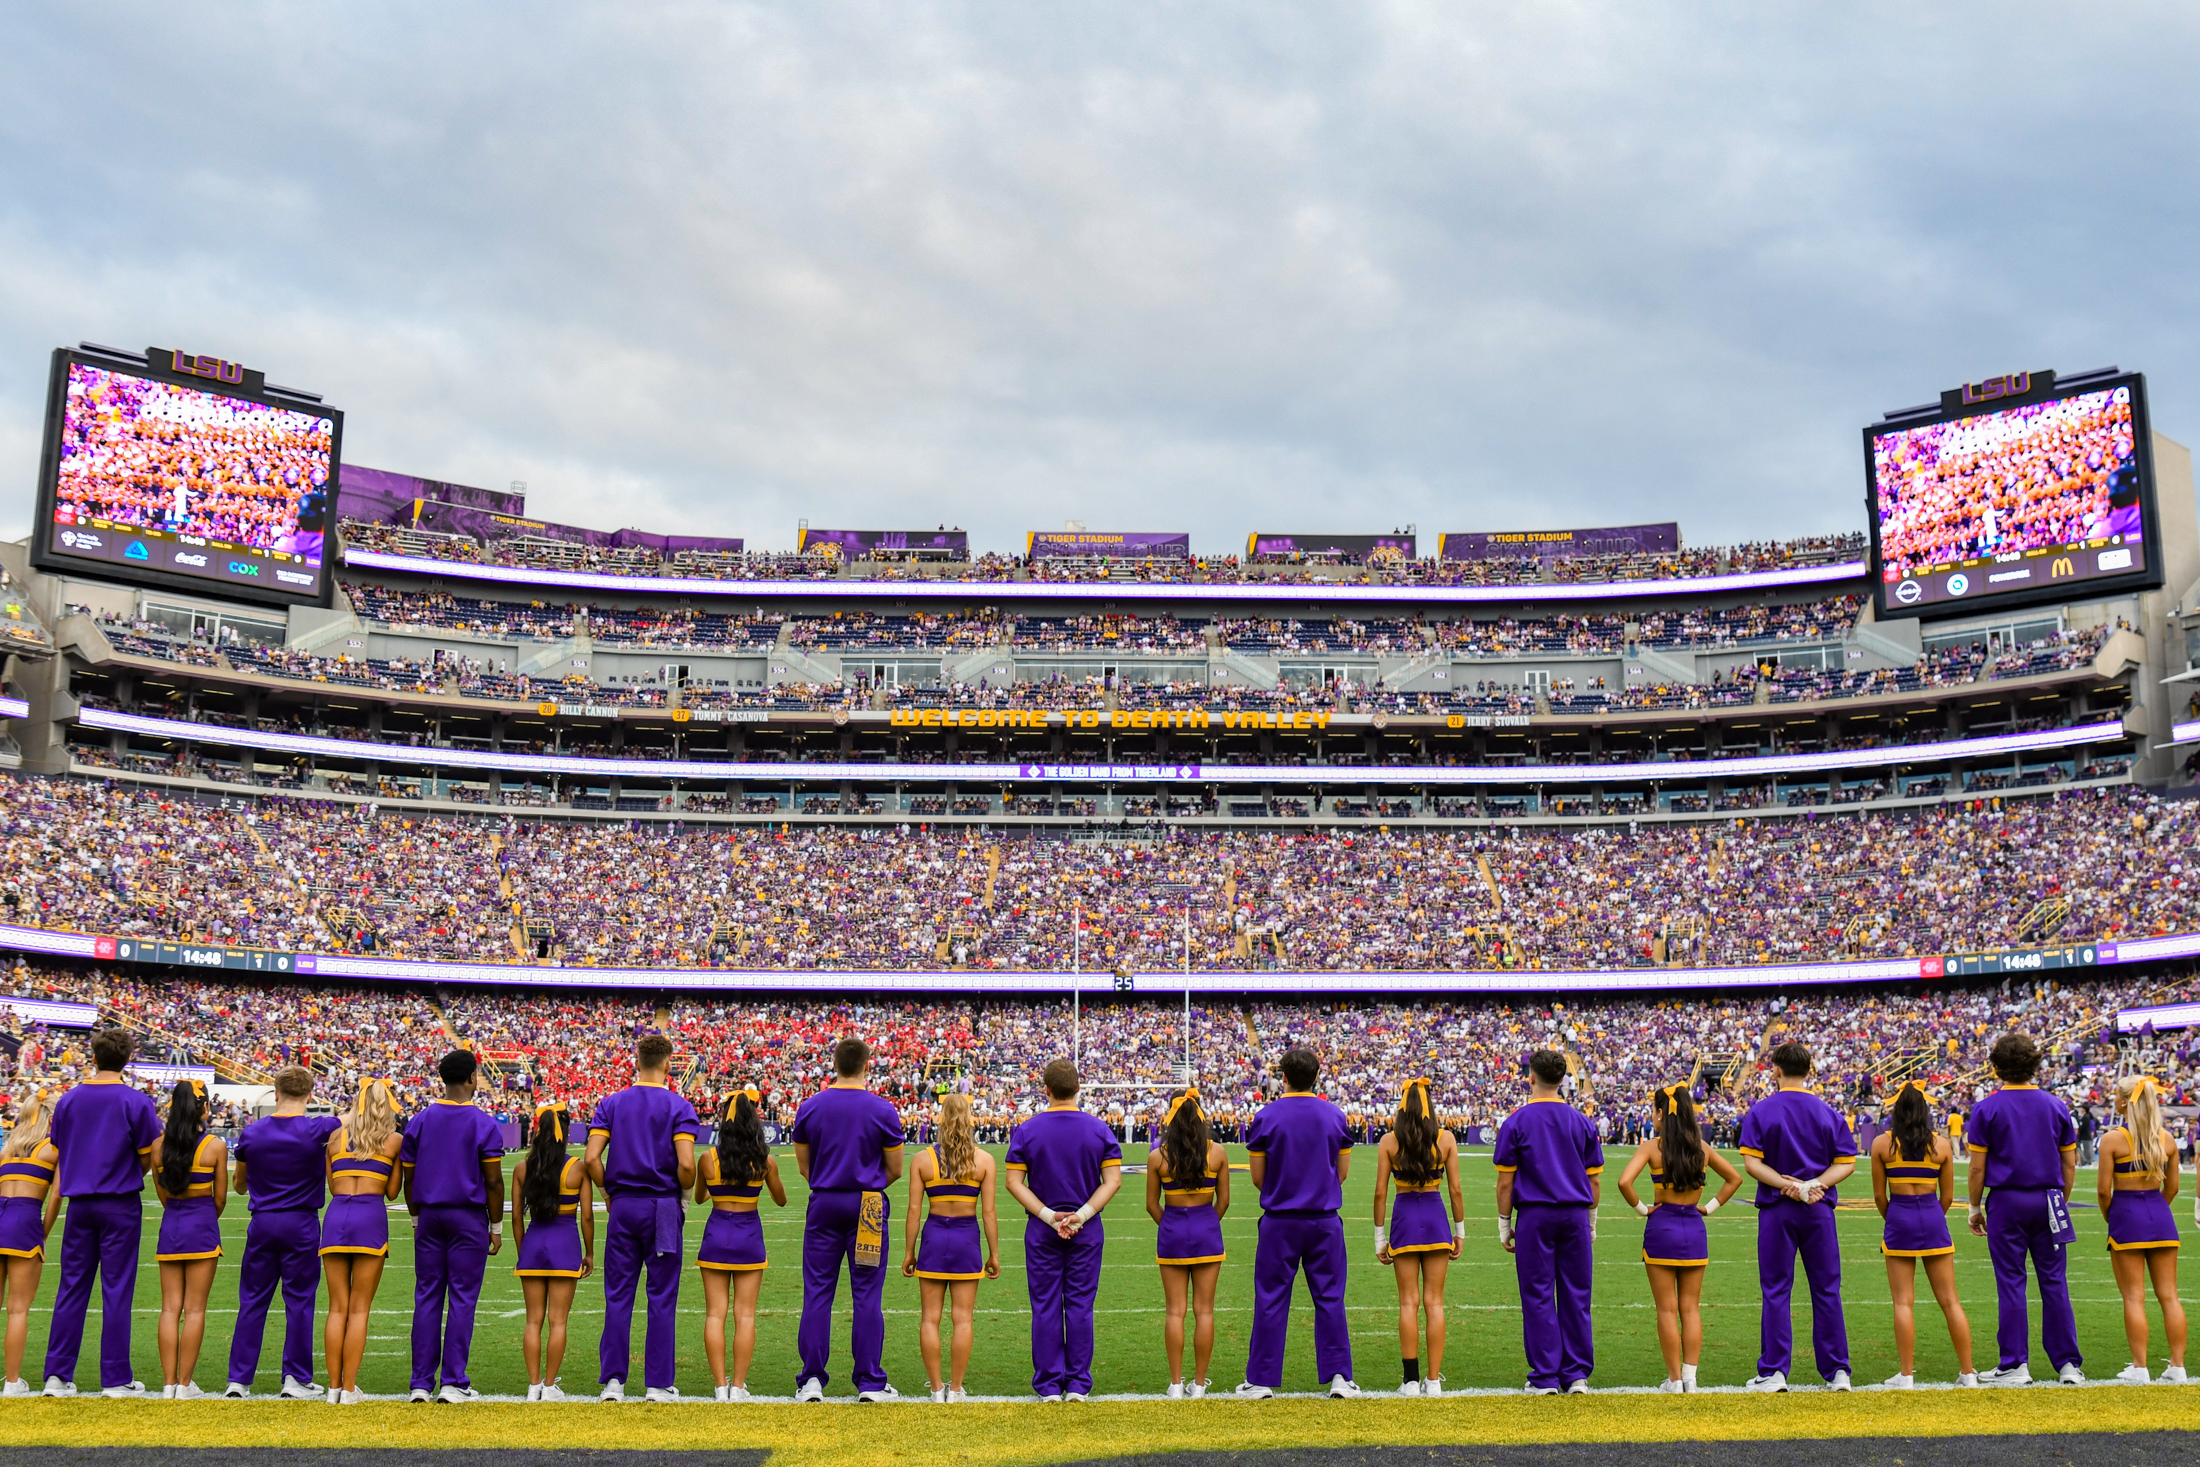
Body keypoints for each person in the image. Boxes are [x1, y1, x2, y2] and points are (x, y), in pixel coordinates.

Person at [41, 1028, 160, 1397]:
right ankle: (115, 1378)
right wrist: (120, 1174)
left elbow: (60, 1149)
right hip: (120, 1205)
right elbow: (147, 1157)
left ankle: (57, 1376)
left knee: (71, 1289)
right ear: (127, 1060)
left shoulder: (68, 1100)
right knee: (117, 1291)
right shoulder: (137, 1102)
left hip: (79, 1205)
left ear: (94, 1057)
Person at [583, 1033, 700, 1403]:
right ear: (668, 1065)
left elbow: (590, 1159)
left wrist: (607, 1193)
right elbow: (685, 1164)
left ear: (636, 1062)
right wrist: (683, 1194)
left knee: (618, 1295)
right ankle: (657, 1383)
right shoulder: (680, 1107)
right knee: (661, 1296)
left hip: (624, 1206)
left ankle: (613, 1382)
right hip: (662, 1206)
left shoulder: (612, 1103)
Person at [791, 1036, 905, 1402]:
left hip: (824, 1201)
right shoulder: (882, 1109)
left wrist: (832, 1184)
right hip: (868, 1205)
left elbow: (804, 1167)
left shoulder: (810, 1106)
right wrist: (865, 1187)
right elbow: (896, 1169)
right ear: (867, 1066)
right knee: (867, 1294)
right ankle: (870, 1382)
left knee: (818, 1293)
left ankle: (811, 1379)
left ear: (834, 1064)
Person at [1965, 1032, 2084, 1385]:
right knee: (2054, 1281)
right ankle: (2068, 1364)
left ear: (1996, 1065)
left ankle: (2015, 1363)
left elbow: (1976, 1168)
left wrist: (1973, 1206)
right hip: (2049, 1197)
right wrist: (2060, 1199)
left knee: (2012, 1282)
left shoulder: (1987, 1108)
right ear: (2034, 1064)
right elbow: (2070, 1164)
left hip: (2007, 1201)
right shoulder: (2056, 1105)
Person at [1738, 1041, 1856, 1392]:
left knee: (1776, 1289)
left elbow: (1751, 1164)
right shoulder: (1828, 1112)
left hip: (1778, 1208)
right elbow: (1846, 1162)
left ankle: (1774, 1371)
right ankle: (1838, 1372)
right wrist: (1813, 1184)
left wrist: (1788, 1186)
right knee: (1826, 1289)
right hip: (1818, 1208)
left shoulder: (1761, 1111)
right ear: (1809, 1071)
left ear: (1775, 1070)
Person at [1003, 1058, 1122, 1401]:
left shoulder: (1028, 1129)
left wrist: (1049, 1216)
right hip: (1085, 1228)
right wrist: (1080, 1216)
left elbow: (1013, 1181)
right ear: (1079, 1088)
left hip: (1044, 1230)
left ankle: (1050, 1384)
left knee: (1045, 1306)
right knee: (1080, 1306)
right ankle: (1078, 1384)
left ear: (1047, 1090)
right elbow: (1111, 1181)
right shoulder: (1099, 1129)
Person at [1616, 1084, 1742, 1393]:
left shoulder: (1651, 1147)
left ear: (1660, 1113)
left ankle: (1673, 1380)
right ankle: (1691, 1378)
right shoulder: (1702, 1148)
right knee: (1691, 1308)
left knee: (1666, 1309)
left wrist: (1643, 1208)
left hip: (1662, 1227)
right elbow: (1735, 1178)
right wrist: (1709, 1208)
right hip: (1694, 1229)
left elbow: (1623, 1182)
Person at [226, 1065, 342, 1400]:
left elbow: (239, 1186)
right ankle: (295, 1378)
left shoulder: (253, 1132)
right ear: (309, 1096)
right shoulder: (320, 1127)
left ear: (276, 1093)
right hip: (301, 1222)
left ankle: (239, 1379)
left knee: (252, 1300)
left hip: (262, 1221)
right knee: (300, 1301)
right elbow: (351, 1118)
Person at [400, 1049, 507, 1403]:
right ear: (472, 1078)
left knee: (427, 1296)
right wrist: (496, 1226)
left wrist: (416, 1218)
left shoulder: (420, 1120)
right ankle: (452, 1381)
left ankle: (420, 1383)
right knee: (462, 1299)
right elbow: (493, 1182)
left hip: (430, 1216)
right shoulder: (484, 1123)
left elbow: (409, 1178)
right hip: (467, 1217)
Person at [1494, 1049, 1604, 1395]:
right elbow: (1595, 1181)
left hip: (1535, 1216)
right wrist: (1592, 1220)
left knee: (1538, 1293)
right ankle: (1576, 1375)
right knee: (1576, 1293)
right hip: (1573, 1214)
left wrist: (1502, 1222)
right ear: (1562, 1080)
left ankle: (1544, 1376)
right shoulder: (1581, 1121)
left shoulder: (1516, 1121)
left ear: (1530, 1077)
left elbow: (1505, 1183)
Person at [1869, 1081, 1976, 1388]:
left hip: (1899, 1216)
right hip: (1932, 1216)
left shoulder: (1882, 1144)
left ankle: (1905, 1375)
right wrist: (1929, 1217)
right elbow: (1948, 1196)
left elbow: (1879, 1196)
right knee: (1951, 1301)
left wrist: (1896, 1219)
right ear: (1925, 1112)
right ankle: (1968, 1373)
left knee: (1903, 1302)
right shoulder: (1941, 1145)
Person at [904, 1090, 999, 1402]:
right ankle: (955, 1389)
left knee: (929, 1318)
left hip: (934, 1237)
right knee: (963, 1319)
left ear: (941, 1119)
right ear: (970, 1119)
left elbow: (915, 1211)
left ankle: (935, 1389)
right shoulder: (984, 1160)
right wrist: (994, 1254)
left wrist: (909, 1252)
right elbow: (988, 1212)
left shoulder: (922, 1159)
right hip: (967, 1238)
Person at [1373, 1078, 1464, 1397]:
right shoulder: (1447, 1139)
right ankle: (1434, 1381)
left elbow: (1381, 1192)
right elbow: (1454, 1189)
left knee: (1408, 1303)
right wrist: (1460, 1231)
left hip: (1405, 1219)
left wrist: (1378, 1238)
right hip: (1437, 1218)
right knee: (1434, 1303)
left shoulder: (1388, 1141)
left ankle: (1411, 1381)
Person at [2097, 1075, 2186, 1384]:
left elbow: (2103, 1193)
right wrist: (2155, 1210)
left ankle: (2140, 1368)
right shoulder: (2168, 1139)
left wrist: (2116, 1217)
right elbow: (2172, 1189)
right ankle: (2177, 1367)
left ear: (2124, 1102)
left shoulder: (2112, 1139)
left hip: (2126, 1216)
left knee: (2133, 1297)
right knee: (2170, 1297)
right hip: (2161, 1217)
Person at [321, 1077, 404, 1406]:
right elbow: (393, 1192)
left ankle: (332, 1388)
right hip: (370, 1216)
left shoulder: (334, 1138)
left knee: (336, 1307)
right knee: (359, 1309)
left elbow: (332, 1186)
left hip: (336, 1214)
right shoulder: (394, 1140)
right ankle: (350, 1387)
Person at [697, 1088, 783, 1401]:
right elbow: (781, 1199)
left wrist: (717, 1189)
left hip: (716, 1235)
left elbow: (698, 1196)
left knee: (714, 1314)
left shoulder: (708, 1158)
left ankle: (720, 1387)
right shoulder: (764, 1160)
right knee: (745, 1315)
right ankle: (738, 1386)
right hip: (749, 1237)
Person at [1145, 1086, 1227, 1399]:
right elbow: (1224, 1202)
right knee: (1204, 1311)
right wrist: (1205, 1222)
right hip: (1207, 1230)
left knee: (1174, 1312)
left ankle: (1176, 1384)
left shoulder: (1158, 1156)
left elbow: (1152, 1205)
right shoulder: (1217, 1152)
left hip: (1172, 1231)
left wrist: (1172, 1224)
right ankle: (1199, 1385)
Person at [513, 1099, 595, 1401]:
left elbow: (517, 1217)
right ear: (566, 1129)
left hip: (533, 1244)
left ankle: (533, 1384)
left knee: (533, 1320)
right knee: (558, 1321)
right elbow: (586, 1216)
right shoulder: (577, 1168)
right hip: (565, 1245)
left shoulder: (523, 1166)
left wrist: (524, 1250)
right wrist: (589, 1252)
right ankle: (549, 1386)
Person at [151, 1079, 228, 1399]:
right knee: (195, 1310)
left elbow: (163, 1196)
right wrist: (203, 1216)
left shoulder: (158, 1146)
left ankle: (169, 1383)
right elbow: (220, 1199)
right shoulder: (214, 1146)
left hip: (172, 1226)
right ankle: (184, 1385)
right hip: (202, 1227)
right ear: (204, 1108)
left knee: (170, 1309)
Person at [0, 1088, 59, 1395]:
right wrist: (44, 1232)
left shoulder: (7, 1149)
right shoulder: (53, 1148)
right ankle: (12, 1382)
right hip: (25, 1220)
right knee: (18, 1309)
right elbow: (57, 1197)